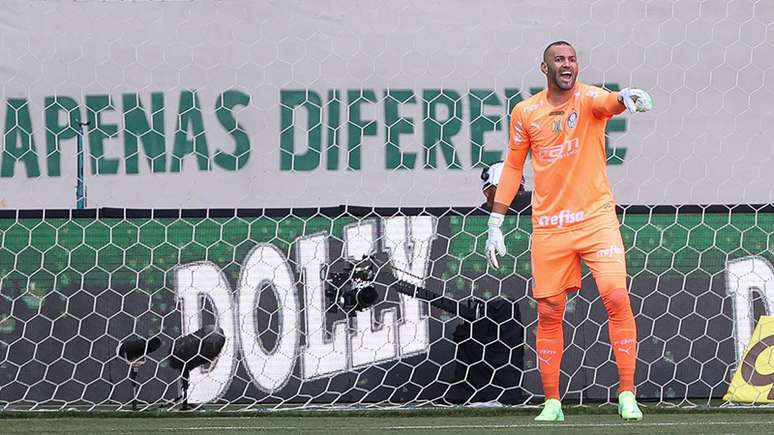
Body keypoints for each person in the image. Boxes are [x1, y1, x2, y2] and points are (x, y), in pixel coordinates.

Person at [485, 40, 652, 422]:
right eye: (558, 60)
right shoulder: (525, 112)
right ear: (544, 68)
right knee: (549, 311)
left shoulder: (590, 99)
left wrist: (625, 97)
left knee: (615, 295)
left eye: (572, 59)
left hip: (596, 220)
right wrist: (495, 222)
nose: (567, 65)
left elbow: (609, 103)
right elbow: (512, 169)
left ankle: (627, 394)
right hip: (550, 227)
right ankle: (553, 403)